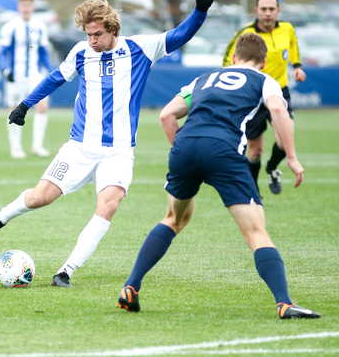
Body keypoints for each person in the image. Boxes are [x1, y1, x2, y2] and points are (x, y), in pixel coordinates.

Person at [0, 0, 217, 287]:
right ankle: (3, 216)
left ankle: (66, 271)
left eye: (97, 34)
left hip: (118, 152)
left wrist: (200, 11)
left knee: (108, 206)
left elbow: (180, 35)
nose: (92, 40)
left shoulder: (140, 48)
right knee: (39, 198)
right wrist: (25, 105)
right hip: (79, 148)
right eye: (88, 34)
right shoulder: (80, 53)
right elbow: (54, 78)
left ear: (113, 29)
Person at [117, 33, 320, 320]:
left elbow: (166, 115)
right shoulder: (264, 80)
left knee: (174, 219)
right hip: (223, 151)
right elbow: (277, 109)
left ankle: (131, 286)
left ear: (234, 58)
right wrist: (291, 157)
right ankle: (284, 303)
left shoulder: (202, 79)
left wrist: (184, 152)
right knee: (256, 232)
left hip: (185, 146)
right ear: (263, 63)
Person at [222, 0, 306, 195]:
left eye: (271, 9)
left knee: (285, 140)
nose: (268, 13)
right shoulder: (245, 34)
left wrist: (297, 65)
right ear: (256, 11)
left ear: (277, 11)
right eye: (264, 9)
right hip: (253, 95)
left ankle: (272, 167)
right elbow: (227, 61)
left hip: (279, 92)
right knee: (255, 151)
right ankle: (254, 189)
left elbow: (293, 45)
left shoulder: (287, 29)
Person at [0, 0, 54, 158]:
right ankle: (16, 147)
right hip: (16, 75)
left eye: (28, 6)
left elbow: (44, 51)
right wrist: (5, 70)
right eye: (23, 6)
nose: (26, 9)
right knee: (15, 109)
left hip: (34, 74)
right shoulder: (10, 27)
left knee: (42, 106)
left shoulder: (39, 26)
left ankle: (37, 146)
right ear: (19, 7)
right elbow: (3, 52)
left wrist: (50, 70)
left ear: (32, 7)